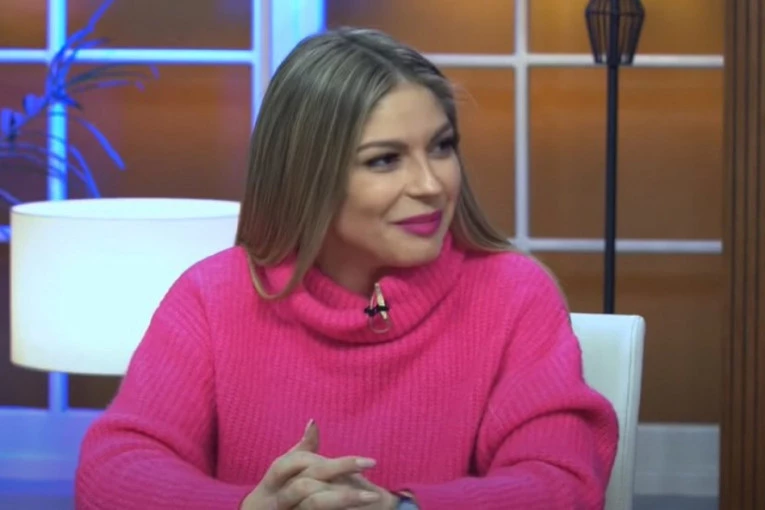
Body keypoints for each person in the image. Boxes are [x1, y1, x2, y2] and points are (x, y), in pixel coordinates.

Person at [75, 27, 618, 510]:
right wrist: (251, 507)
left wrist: (401, 509)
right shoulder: (212, 295)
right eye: (385, 159)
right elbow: (113, 474)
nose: (431, 185)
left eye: (441, 147)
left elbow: (563, 485)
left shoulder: (513, 293)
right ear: (307, 175)